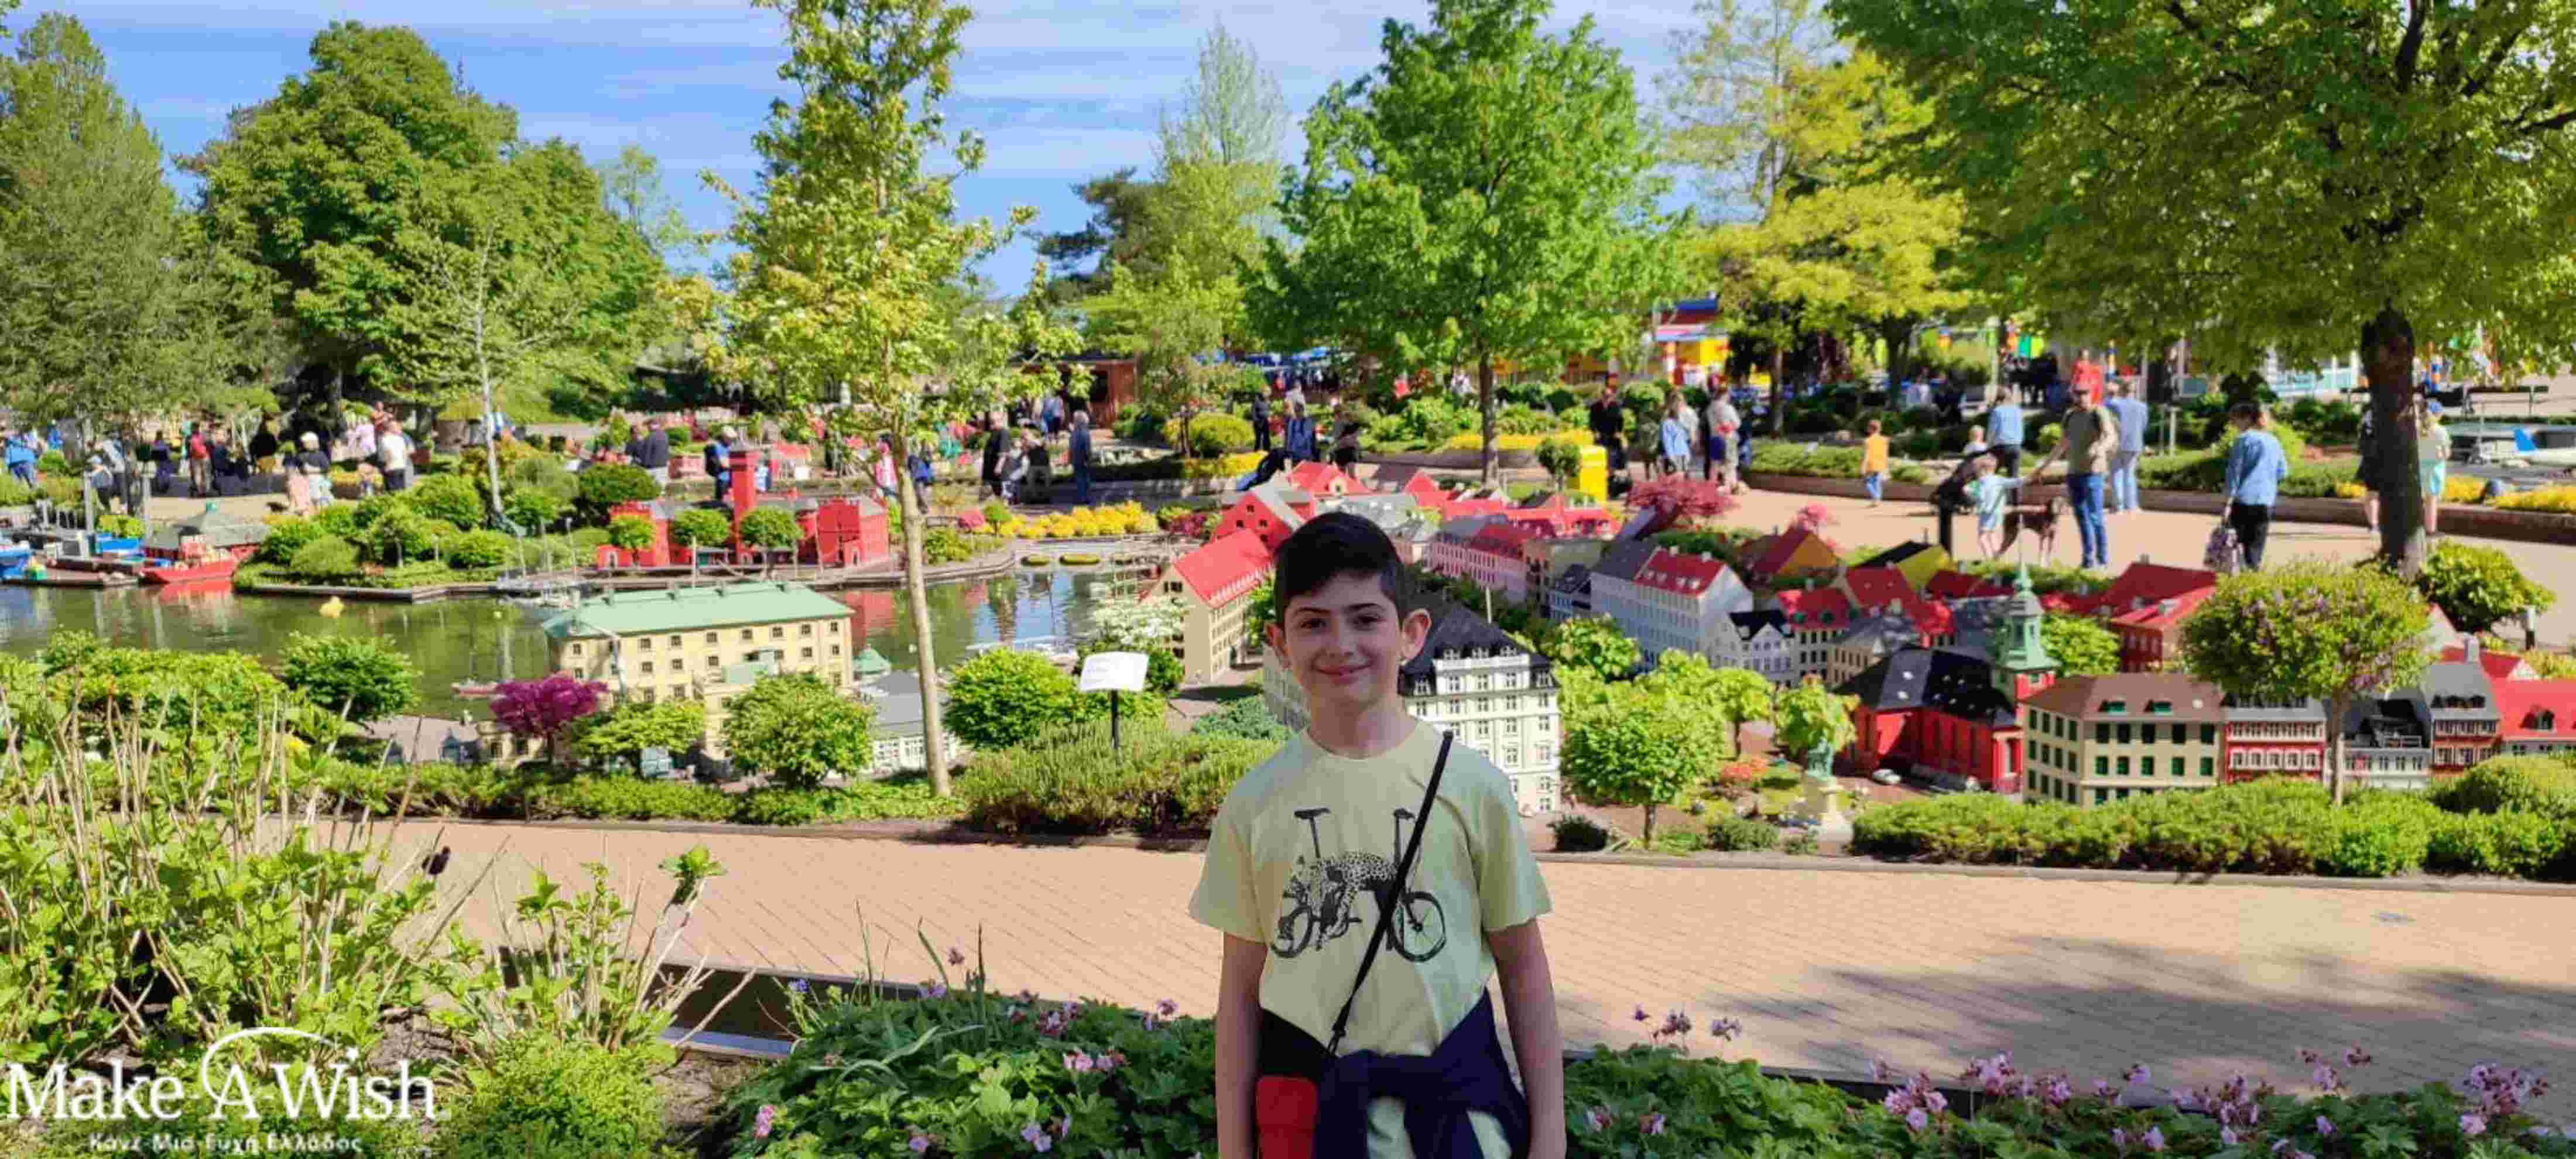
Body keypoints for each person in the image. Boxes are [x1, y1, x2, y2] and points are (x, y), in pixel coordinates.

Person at [1191, 512, 1561, 1159]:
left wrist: (1549, 1140)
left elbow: (1523, 967)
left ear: (1410, 633)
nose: (1341, 645)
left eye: (1365, 619)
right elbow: (1240, 996)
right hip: (1311, 1128)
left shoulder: (1472, 787)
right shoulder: (1253, 805)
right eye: (1313, 623)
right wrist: (1233, 1149)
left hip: (1455, 1124)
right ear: (1280, 643)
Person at [2027, 389, 2120, 570]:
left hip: (2093, 472)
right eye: (2078, 394)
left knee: (2096, 517)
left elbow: (2111, 435)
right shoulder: (2070, 416)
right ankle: (2088, 560)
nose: (2082, 397)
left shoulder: (2098, 412)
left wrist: (2101, 449)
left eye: (2085, 393)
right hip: (2074, 474)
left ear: (2091, 394)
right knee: (2082, 518)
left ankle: (2102, 560)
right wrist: (2043, 468)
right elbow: (2062, 444)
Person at [2222, 402, 2289, 569]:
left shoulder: (2243, 440)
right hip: (2266, 501)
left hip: (2243, 501)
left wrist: (2227, 503)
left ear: (2246, 419)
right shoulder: (2274, 441)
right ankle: (2253, 578)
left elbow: (2234, 474)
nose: (2234, 425)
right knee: (2256, 550)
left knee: (2236, 548)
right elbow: (2283, 472)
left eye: (2235, 420)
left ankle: (2237, 580)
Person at [1969, 455, 2028, 559]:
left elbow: (1981, 497)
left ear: (1982, 470)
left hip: (1987, 512)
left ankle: (1989, 559)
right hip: (1998, 512)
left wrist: (1971, 493)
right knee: (1993, 534)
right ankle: (1997, 556)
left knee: (1982, 536)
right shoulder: (1999, 479)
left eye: (1977, 471)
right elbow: (2015, 482)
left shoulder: (1982, 481)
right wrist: (2027, 478)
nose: (1976, 474)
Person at [2105, 382, 2149, 515]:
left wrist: (2110, 393)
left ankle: (2118, 506)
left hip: (2117, 443)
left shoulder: (2113, 404)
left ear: (2122, 391)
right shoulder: (2142, 406)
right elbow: (2144, 426)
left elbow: (2104, 414)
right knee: (2130, 474)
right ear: (2134, 391)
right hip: (2134, 443)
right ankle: (2132, 506)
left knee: (2116, 474)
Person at [2419, 399, 2451, 537]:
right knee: (2432, 500)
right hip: (2435, 468)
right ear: (2438, 414)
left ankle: (2417, 528)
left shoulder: (2417, 429)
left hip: (2420, 466)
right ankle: (2431, 530)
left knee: (2421, 499)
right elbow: (2446, 454)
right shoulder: (2441, 431)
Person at [1984, 392, 2025, 478]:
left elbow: (1992, 431)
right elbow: (2021, 428)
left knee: (1990, 475)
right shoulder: (2018, 411)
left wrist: (1988, 446)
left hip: (2000, 447)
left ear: (1999, 400)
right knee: (2013, 478)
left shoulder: (1997, 411)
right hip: (2016, 446)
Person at [2355, 407, 2382, 533]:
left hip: (2369, 461)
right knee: (2379, 494)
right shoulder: (2386, 415)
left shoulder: (2366, 420)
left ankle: (2373, 524)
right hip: (2385, 462)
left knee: (2371, 493)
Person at [1658, 395, 1692, 479]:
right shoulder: (1667, 423)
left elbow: (1686, 439)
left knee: (1685, 481)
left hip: (1683, 455)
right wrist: (1671, 458)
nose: (1683, 407)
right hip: (1675, 456)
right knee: (1677, 481)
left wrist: (1688, 454)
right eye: (1681, 405)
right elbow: (1667, 442)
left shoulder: (1681, 422)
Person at [377, 417, 415, 493]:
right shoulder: (399, 438)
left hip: (393, 467)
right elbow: (403, 452)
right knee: (402, 490)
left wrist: (389, 464)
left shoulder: (386, 439)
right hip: (401, 466)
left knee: (393, 491)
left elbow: (389, 452)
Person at [1861, 418, 1890, 506]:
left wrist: (1863, 466)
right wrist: (1887, 466)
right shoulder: (1885, 440)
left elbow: (1866, 455)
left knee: (1868, 482)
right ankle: (1877, 500)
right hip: (1881, 463)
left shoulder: (1867, 441)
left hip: (1871, 464)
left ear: (1871, 429)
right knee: (1877, 482)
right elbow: (1886, 454)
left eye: (1868, 428)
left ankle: (1876, 498)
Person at [633, 417, 670, 486]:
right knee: (661, 488)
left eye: (648, 426)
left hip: (652, 468)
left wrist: (642, 464)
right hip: (663, 467)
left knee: (651, 488)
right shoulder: (665, 436)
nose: (648, 428)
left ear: (651, 425)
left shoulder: (650, 437)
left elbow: (646, 454)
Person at [979, 412, 1008, 499]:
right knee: (985, 493)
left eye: (995, 421)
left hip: (996, 469)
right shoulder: (994, 432)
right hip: (988, 469)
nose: (992, 424)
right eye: (991, 421)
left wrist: (999, 466)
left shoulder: (1003, 433)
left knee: (997, 493)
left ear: (1001, 421)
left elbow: (1004, 453)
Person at [1068, 409, 1094, 505]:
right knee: (1086, 478)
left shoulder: (1074, 433)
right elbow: (1087, 448)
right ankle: (1086, 497)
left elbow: (1071, 448)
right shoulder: (1085, 433)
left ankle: (1081, 498)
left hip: (1077, 458)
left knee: (1079, 479)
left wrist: (1071, 459)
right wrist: (1089, 458)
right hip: (1084, 458)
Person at [1284, 400, 1317, 464]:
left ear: (1303, 410)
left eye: (1298, 411)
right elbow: (1290, 436)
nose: (1297, 413)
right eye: (1296, 411)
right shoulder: (1292, 421)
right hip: (1295, 453)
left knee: (1306, 469)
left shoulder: (1308, 421)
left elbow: (1307, 436)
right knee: (1296, 468)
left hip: (1306, 453)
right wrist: (1288, 449)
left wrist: (1299, 445)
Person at [705, 427, 735, 495]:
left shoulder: (731, 446)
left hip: (732, 478)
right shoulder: (716, 447)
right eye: (730, 438)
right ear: (724, 437)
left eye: (733, 438)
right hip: (722, 479)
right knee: (723, 499)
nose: (732, 440)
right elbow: (724, 464)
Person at [186, 424, 213, 498]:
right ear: (198, 428)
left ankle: (200, 492)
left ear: (191, 429)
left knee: (197, 475)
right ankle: (207, 491)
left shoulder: (189, 437)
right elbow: (209, 445)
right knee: (207, 474)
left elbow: (188, 449)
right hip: (205, 457)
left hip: (195, 458)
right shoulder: (203, 436)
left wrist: (189, 456)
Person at [1251, 389, 1273, 455]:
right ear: (1264, 392)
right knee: (1258, 439)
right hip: (1258, 423)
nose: (1268, 395)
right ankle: (1256, 452)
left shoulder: (1268, 401)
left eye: (1269, 394)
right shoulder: (1257, 400)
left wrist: (1270, 416)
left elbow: (1268, 410)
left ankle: (1267, 451)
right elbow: (1253, 412)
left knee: (1267, 438)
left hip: (1266, 422)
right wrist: (1256, 421)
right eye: (1267, 393)